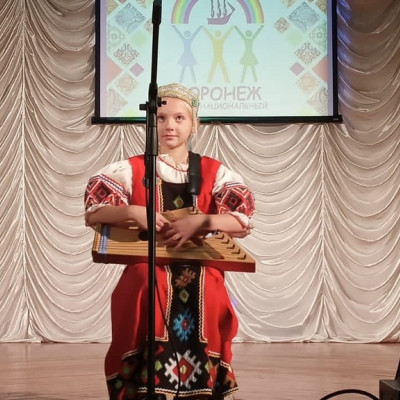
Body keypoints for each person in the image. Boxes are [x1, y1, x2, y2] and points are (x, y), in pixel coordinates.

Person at [84, 83, 255, 400]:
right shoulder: (132, 169)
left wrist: (202, 221)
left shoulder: (213, 171)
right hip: (149, 265)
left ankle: (202, 387)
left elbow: (241, 219)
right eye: (161, 118)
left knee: (208, 283)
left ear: (194, 123)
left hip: (200, 266)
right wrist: (133, 212)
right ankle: (144, 385)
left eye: (179, 118)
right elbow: (95, 211)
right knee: (145, 279)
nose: (169, 126)